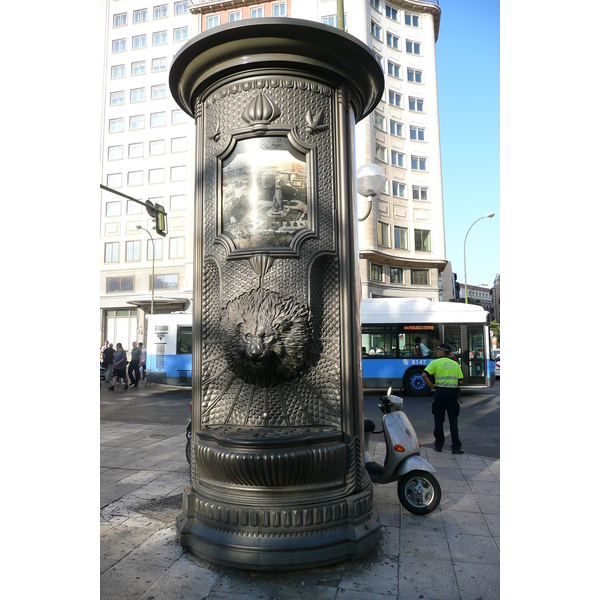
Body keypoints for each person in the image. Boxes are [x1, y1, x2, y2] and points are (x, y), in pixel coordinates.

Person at [422, 343, 464, 454]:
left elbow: (424, 375)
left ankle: (439, 446)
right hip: (452, 395)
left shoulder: (435, 363)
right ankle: (456, 447)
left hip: (440, 393)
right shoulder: (455, 364)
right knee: (453, 422)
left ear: (442, 351)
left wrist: (432, 386)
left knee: (439, 422)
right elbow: (461, 381)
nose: (437, 352)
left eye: (438, 350)